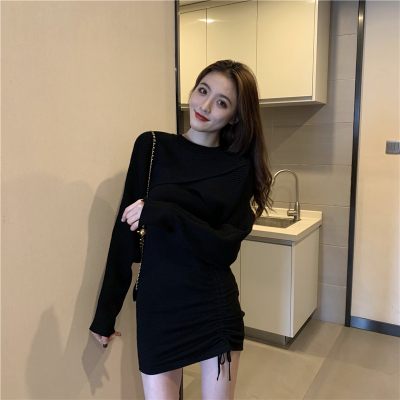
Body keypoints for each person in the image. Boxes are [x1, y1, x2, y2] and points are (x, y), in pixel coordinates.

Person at [89, 59, 273, 400]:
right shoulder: (152, 147)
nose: (205, 105)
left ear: (234, 117)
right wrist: (105, 314)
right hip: (157, 305)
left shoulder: (238, 170)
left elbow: (224, 248)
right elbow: (124, 234)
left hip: (213, 306)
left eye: (221, 102)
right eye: (203, 91)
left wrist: (166, 214)